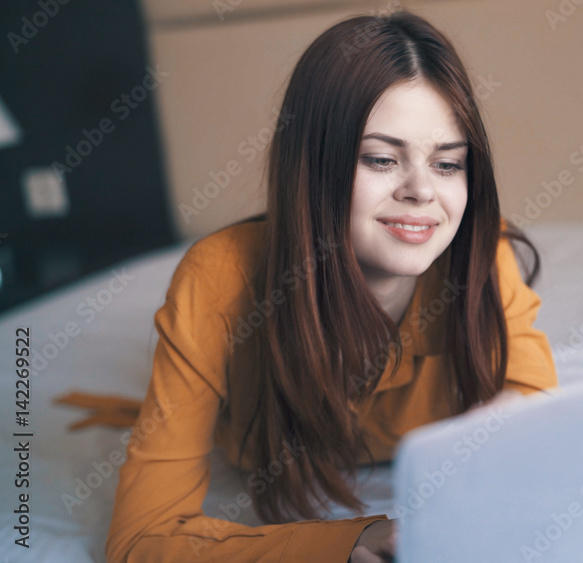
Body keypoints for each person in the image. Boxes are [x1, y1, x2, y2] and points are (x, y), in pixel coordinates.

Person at [89, 9, 558, 562]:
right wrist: (345, 542)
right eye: (381, 159)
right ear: (313, 167)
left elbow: (532, 399)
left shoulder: (480, 255)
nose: (421, 192)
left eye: (448, 164)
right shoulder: (218, 281)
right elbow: (141, 538)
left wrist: (500, 433)